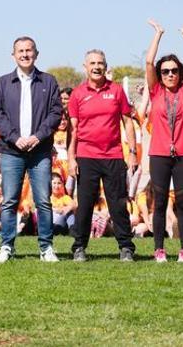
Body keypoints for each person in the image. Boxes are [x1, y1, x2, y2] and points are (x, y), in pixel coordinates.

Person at [0, 36, 63, 263]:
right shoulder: (3, 83)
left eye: (29, 50)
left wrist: (37, 137)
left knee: (43, 200)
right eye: (20, 51)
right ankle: (6, 247)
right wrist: (15, 138)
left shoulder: (49, 81)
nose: (24, 54)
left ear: (36, 54)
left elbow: (55, 113)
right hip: (12, 150)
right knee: (10, 200)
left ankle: (46, 248)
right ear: (13, 55)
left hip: (40, 151)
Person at [68, 49, 138, 262]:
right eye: (92, 63)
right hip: (86, 156)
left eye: (100, 63)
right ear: (85, 67)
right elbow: (73, 129)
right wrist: (71, 158)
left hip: (114, 155)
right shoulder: (78, 94)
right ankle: (79, 246)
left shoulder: (116, 91)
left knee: (118, 203)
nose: (97, 67)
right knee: (85, 203)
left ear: (106, 67)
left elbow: (128, 122)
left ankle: (126, 247)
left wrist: (133, 152)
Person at [143, 19, 183, 263]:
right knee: (160, 201)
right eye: (165, 71)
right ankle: (159, 249)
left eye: (174, 71)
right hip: (159, 154)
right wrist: (158, 34)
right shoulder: (155, 91)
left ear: (180, 73)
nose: (169, 75)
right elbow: (147, 62)